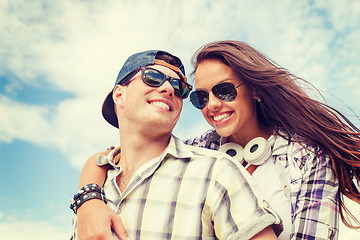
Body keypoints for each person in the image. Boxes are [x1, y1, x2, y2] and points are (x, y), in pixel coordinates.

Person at [74, 41, 360, 240]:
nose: (212, 105)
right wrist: (89, 200)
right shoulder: (200, 151)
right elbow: (113, 158)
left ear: (255, 91)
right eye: (200, 97)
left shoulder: (309, 157)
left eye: (224, 91)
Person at [70, 49, 282, 240]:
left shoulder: (217, 172)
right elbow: (100, 159)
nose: (168, 89)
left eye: (178, 87)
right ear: (119, 94)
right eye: (152, 77)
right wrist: (88, 199)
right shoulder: (92, 193)